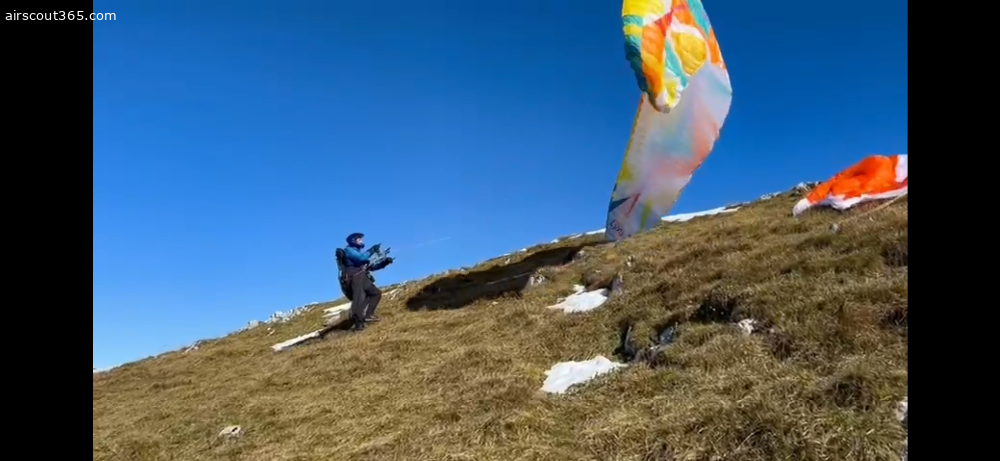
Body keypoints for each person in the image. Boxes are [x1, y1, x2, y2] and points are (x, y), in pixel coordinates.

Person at [340, 232, 391, 331]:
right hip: (355, 277)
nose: (361, 241)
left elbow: (371, 267)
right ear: (353, 241)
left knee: (375, 293)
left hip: (362, 276)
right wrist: (372, 250)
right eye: (359, 239)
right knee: (359, 300)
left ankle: (368, 315)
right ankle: (358, 325)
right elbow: (361, 258)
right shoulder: (348, 250)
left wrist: (384, 263)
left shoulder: (357, 252)